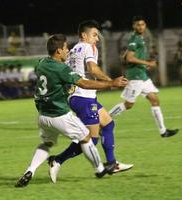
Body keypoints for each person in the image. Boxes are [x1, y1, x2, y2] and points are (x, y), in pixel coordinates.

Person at [15, 34, 128, 187]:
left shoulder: (41, 63)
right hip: (59, 115)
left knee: (46, 144)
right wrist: (111, 83)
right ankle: (99, 169)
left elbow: (53, 82)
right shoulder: (62, 68)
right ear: (58, 51)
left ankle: (31, 169)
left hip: (43, 116)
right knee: (87, 137)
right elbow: (84, 84)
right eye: (65, 48)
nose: (67, 51)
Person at [47, 20, 133, 184]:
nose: (97, 39)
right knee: (91, 139)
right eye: (94, 35)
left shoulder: (72, 51)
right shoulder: (88, 47)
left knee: (108, 123)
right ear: (84, 35)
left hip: (77, 97)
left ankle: (111, 163)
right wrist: (111, 81)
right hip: (83, 97)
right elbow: (93, 69)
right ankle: (57, 160)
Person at [109, 16, 179, 138]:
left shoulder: (141, 38)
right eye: (138, 25)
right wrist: (148, 63)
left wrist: (144, 65)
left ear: (145, 25)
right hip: (136, 77)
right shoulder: (135, 39)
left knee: (155, 100)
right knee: (128, 105)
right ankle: (103, 120)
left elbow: (131, 58)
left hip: (142, 76)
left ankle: (163, 131)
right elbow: (129, 57)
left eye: (142, 24)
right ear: (134, 26)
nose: (140, 27)